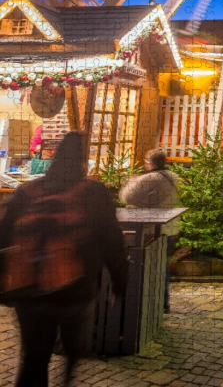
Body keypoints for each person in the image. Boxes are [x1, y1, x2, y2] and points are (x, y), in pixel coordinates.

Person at [0, 132, 128, 387]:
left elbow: (4, 235)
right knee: (73, 345)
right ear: (81, 161)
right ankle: (68, 373)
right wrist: (119, 279)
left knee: (33, 357)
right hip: (74, 288)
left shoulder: (28, 191)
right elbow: (111, 239)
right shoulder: (92, 192)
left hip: (28, 287)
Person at [120, 149, 179, 313]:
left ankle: (149, 303)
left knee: (150, 265)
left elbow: (126, 197)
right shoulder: (173, 176)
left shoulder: (149, 178)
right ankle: (163, 301)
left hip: (151, 228)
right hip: (171, 227)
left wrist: (131, 182)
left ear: (149, 162)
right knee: (161, 264)